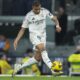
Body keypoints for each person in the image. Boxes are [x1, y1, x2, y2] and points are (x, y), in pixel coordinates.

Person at [13, 0, 61, 75]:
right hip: (34, 35)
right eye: (36, 9)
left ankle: (19, 67)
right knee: (42, 48)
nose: (37, 10)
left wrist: (57, 25)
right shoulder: (28, 16)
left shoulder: (44, 11)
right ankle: (53, 69)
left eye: (38, 9)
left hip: (43, 36)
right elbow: (22, 30)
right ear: (32, 8)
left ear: (40, 7)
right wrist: (16, 40)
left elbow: (54, 18)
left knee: (37, 58)